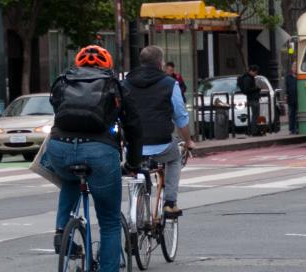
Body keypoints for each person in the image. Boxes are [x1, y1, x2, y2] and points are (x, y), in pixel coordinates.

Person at [45, 45, 143, 272]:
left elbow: (57, 112)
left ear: (78, 64)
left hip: (60, 148)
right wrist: (133, 163)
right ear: (107, 65)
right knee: (109, 221)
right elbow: (134, 127)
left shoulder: (63, 81)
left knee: (69, 180)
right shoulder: (116, 85)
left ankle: (62, 231)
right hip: (100, 151)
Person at [123, 46, 195, 218]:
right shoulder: (170, 83)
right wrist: (188, 141)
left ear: (141, 61)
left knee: (136, 163)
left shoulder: (126, 82)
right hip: (161, 143)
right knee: (175, 158)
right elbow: (180, 117)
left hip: (133, 145)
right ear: (160, 62)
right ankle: (170, 203)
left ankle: (137, 210)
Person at [237, 65, 263, 135]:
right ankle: (254, 131)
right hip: (253, 98)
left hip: (252, 98)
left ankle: (253, 130)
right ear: (251, 71)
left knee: (255, 115)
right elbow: (247, 89)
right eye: (255, 72)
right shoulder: (248, 78)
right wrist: (257, 88)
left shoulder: (249, 77)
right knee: (255, 116)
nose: (256, 74)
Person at [285, 67, 299, 134]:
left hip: (299, 98)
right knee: (291, 114)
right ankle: (291, 129)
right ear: (292, 69)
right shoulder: (288, 77)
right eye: (294, 67)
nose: (295, 69)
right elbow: (286, 87)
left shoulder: (300, 76)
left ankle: (297, 128)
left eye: (296, 67)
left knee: (297, 114)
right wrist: (286, 95)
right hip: (291, 98)